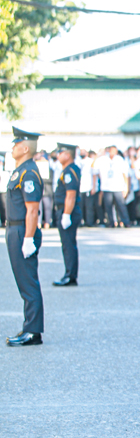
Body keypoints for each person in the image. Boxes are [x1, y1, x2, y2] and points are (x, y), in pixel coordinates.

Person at [5, 127, 45, 347]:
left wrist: (28, 238)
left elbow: (32, 209)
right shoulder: (20, 170)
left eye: (17, 143)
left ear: (26, 148)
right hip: (15, 229)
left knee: (28, 282)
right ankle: (29, 326)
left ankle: (33, 331)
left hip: (22, 231)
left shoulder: (28, 172)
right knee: (24, 282)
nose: (13, 147)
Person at [52, 143, 82, 287]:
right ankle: (69, 274)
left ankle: (70, 276)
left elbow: (71, 195)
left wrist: (66, 214)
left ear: (68, 155)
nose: (58, 155)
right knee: (68, 244)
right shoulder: (69, 169)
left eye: (60, 153)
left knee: (68, 245)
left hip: (67, 211)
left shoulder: (70, 171)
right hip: (66, 210)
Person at [97, 146, 130, 227]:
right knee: (108, 207)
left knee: (121, 205)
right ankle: (111, 222)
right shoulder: (103, 159)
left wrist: (125, 187)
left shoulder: (120, 160)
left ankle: (125, 222)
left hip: (117, 187)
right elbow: (96, 169)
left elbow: (124, 173)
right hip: (106, 187)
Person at [78, 150, 98, 227]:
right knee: (80, 206)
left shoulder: (90, 161)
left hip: (88, 187)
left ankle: (89, 222)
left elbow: (94, 174)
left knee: (89, 206)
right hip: (80, 188)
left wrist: (93, 187)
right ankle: (80, 222)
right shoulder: (77, 161)